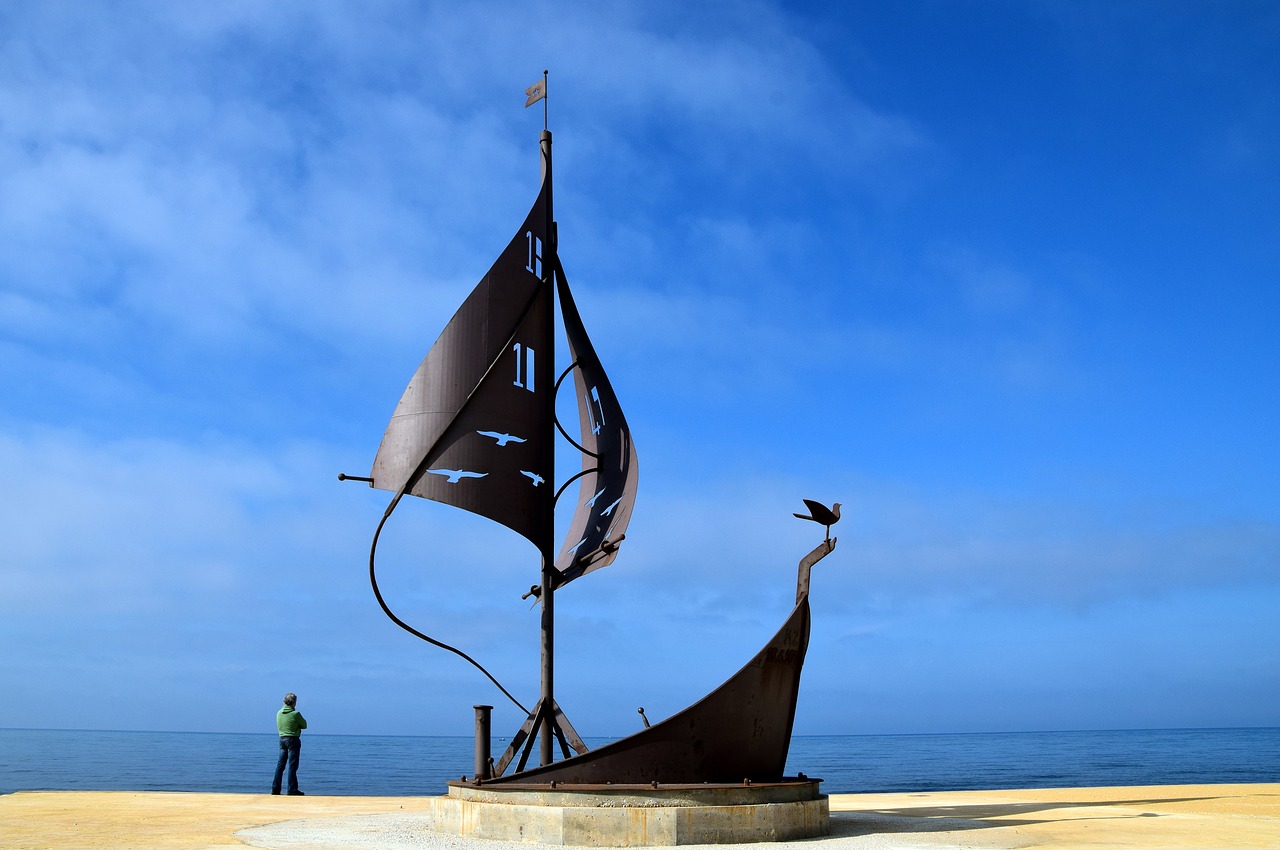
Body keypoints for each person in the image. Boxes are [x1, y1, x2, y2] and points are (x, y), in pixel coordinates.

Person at [270, 692, 307, 795]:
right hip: (293, 739)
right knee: (292, 765)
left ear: (284, 702)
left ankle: (275, 788)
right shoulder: (295, 714)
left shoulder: (279, 713)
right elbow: (304, 725)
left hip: (282, 739)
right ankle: (292, 789)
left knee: (280, 765)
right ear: (294, 703)